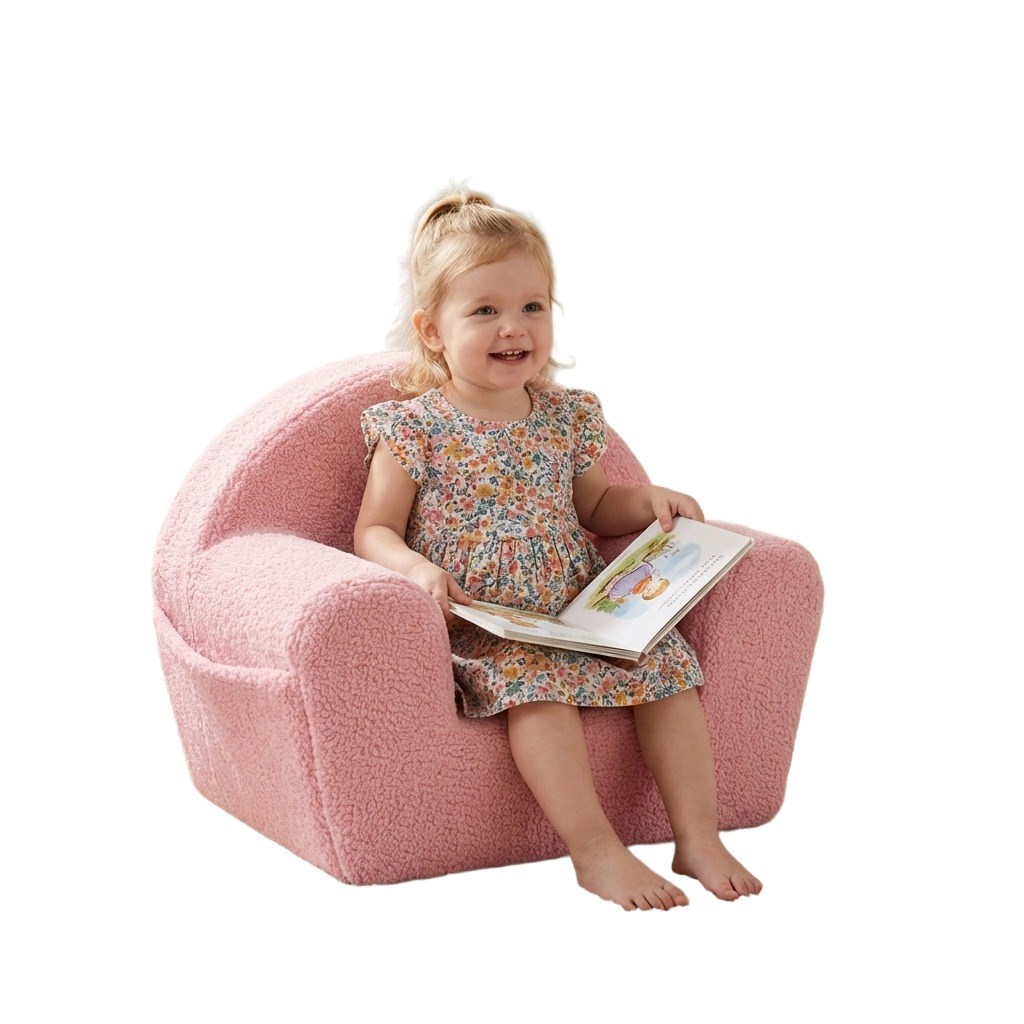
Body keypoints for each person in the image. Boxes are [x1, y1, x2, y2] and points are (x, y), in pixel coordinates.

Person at [354, 189, 762, 911]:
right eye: (485, 310)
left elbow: (594, 507)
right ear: (432, 330)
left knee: (668, 669)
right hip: (487, 620)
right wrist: (417, 569)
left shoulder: (565, 416)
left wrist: (648, 502)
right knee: (537, 693)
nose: (513, 327)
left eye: (532, 306)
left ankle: (698, 837)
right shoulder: (415, 428)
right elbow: (372, 531)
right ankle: (595, 850)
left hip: (576, 607)